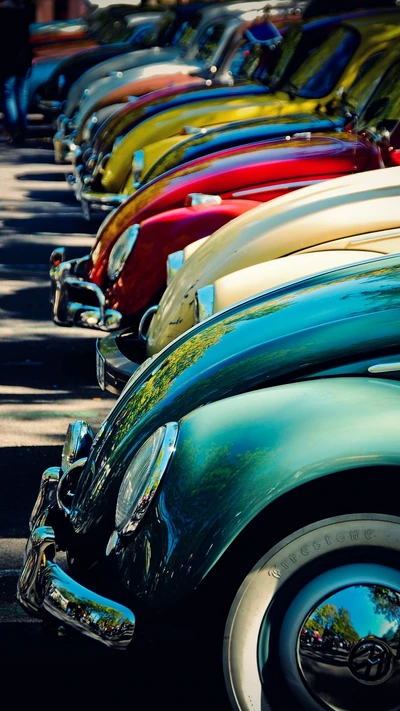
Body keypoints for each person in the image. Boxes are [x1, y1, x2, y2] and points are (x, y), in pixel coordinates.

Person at [0, 0, 35, 144]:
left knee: (8, 95)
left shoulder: (3, 11)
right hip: (24, 59)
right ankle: (22, 128)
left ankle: (13, 129)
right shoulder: (26, 9)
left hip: (7, 59)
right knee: (21, 94)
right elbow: (28, 37)